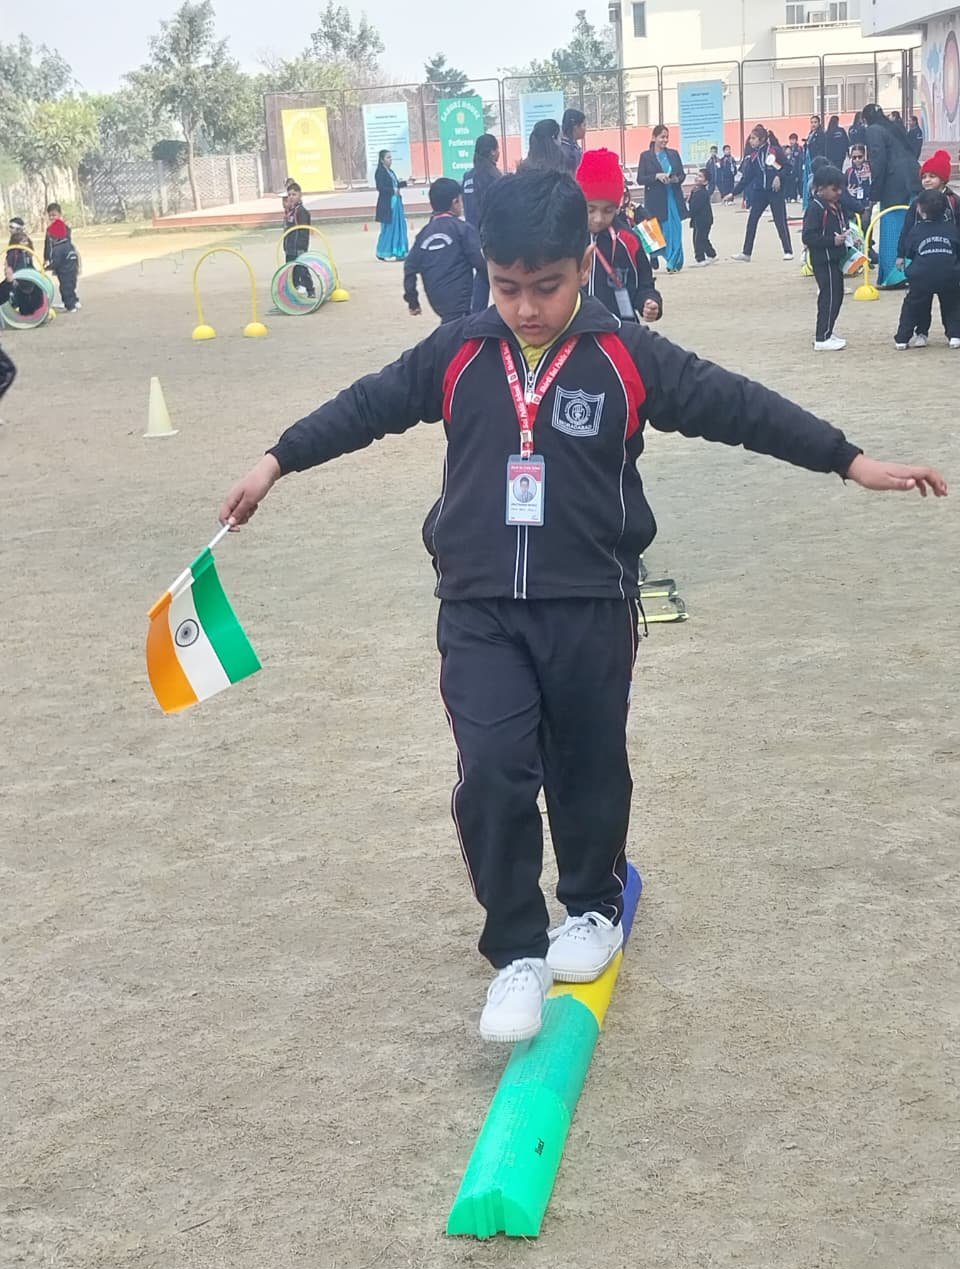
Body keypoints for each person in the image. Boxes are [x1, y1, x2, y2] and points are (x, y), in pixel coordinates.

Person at [218, 167, 946, 1045]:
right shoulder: (456, 352)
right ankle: (518, 953)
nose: (525, 307)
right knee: (494, 770)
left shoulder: (627, 353)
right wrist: (276, 460)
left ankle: (593, 907)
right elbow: (365, 405)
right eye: (506, 287)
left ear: (586, 263)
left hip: (592, 603)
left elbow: (739, 407)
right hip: (479, 607)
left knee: (588, 766)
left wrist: (848, 460)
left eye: (547, 286)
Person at [575, 148, 662, 321]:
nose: (598, 219)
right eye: (590, 209)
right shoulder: (566, 238)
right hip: (577, 330)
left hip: (620, 330)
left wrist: (649, 302)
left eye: (608, 210)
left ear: (617, 207)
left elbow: (644, 285)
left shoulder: (628, 241)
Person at [403, 178, 485, 324]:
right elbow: (479, 263)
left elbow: (409, 267)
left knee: (450, 326)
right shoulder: (463, 229)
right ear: (455, 202)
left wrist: (412, 300)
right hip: (459, 299)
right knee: (459, 330)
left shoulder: (424, 234)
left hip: (436, 300)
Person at [893, 189, 960, 350]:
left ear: (920, 209)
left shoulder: (916, 230)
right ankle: (955, 336)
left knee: (913, 306)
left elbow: (910, 251)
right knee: (952, 304)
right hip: (949, 274)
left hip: (921, 275)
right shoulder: (952, 229)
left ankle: (903, 339)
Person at [863, 104, 921, 288]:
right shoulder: (895, 126)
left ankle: (893, 276)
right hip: (913, 178)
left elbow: (878, 161)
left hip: (893, 185)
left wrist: (874, 193)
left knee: (892, 229)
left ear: (866, 119)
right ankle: (913, 271)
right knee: (911, 225)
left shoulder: (874, 130)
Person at [802, 165, 850, 353]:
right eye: (834, 189)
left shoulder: (836, 206)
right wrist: (832, 241)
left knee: (837, 296)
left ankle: (828, 331)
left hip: (836, 259)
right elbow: (808, 237)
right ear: (821, 188)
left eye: (840, 188)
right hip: (823, 260)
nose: (839, 192)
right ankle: (821, 337)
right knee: (828, 297)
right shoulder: (816, 208)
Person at [732, 125, 794, 262]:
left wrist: (779, 177)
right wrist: (733, 193)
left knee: (780, 221)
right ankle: (746, 253)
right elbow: (747, 178)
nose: (751, 141)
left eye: (753, 138)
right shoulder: (754, 156)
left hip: (775, 192)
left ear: (762, 139)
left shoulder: (775, 151)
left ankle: (788, 250)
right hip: (760, 192)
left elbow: (787, 167)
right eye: (751, 138)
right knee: (752, 220)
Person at [636, 125, 688, 272]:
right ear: (654, 138)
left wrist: (676, 179)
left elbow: (682, 175)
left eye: (666, 137)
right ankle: (657, 255)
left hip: (673, 197)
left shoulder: (673, 154)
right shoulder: (646, 156)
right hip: (656, 199)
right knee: (659, 232)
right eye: (662, 137)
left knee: (675, 230)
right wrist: (656, 176)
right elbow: (640, 179)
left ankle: (673, 262)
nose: (665, 140)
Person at [462, 134, 502, 311]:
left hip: (471, 233)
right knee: (492, 275)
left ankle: (476, 312)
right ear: (492, 152)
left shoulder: (468, 176)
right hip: (490, 234)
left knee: (482, 274)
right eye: (497, 149)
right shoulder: (492, 175)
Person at [897, 150, 960, 256]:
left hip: (950, 255)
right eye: (924, 177)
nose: (927, 180)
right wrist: (901, 254)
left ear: (943, 179)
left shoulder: (954, 201)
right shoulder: (918, 202)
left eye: (932, 176)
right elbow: (907, 229)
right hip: (922, 253)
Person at [43, 203, 80, 312]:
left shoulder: (64, 229)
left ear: (59, 215)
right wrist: (46, 258)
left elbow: (60, 246)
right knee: (67, 282)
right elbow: (47, 246)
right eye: (50, 215)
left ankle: (71, 304)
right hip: (64, 260)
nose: (52, 217)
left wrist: (51, 264)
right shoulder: (51, 230)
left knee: (68, 282)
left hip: (66, 259)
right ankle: (71, 301)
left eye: (54, 215)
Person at [374, 150, 409, 262]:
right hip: (388, 204)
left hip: (396, 202)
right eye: (388, 158)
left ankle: (400, 252)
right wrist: (393, 191)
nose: (390, 160)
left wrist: (406, 182)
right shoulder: (380, 172)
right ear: (382, 160)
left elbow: (396, 184)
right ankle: (382, 251)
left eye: (391, 157)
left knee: (399, 226)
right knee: (389, 228)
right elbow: (380, 188)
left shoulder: (391, 172)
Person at [282, 183, 314, 299]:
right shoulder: (290, 211)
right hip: (289, 247)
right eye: (289, 195)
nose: (291, 197)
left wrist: (302, 246)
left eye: (294, 194)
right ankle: (293, 290)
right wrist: (285, 245)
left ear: (300, 195)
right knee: (291, 270)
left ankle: (310, 290)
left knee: (302, 269)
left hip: (299, 247)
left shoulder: (301, 211)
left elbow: (304, 230)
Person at [687, 168, 717, 266]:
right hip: (699, 219)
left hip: (703, 220)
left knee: (698, 240)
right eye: (697, 175)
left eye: (700, 176)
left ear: (705, 182)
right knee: (703, 238)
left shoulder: (701, 192)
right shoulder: (696, 190)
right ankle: (711, 254)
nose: (697, 178)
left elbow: (695, 207)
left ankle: (700, 259)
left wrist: (687, 214)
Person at [847, 145, 873, 230]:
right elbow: (842, 187)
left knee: (865, 225)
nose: (857, 160)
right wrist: (848, 191)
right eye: (854, 157)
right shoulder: (849, 172)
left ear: (864, 156)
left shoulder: (871, 170)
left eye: (860, 157)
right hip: (853, 205)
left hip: (867, 204)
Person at [560, 108, 587, 174]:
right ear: (575, 127)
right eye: (584, 125)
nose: (585, 129)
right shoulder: (565, 150)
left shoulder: (573, 146)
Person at [784, 134, 803, 202]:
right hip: (789, 169)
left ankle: (798, 196)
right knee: (789, 183)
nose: (791, 141)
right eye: (790, 140)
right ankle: (789, 196)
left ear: (796, 140)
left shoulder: (799, 149)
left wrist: (799, 169)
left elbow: (800, 160)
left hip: (797, 168)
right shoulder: (788, 148)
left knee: (797, 182)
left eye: (793, 140)